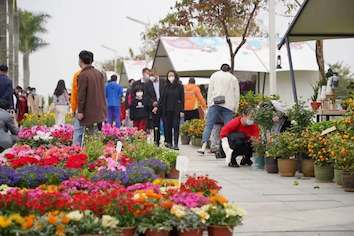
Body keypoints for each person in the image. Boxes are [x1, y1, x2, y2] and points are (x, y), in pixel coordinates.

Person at [198, 64, 240, 155]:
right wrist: (235, 108)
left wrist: (209, 105)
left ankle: (203, 146)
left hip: (215, 103)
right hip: (228, 104)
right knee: (228, 127)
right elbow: (237, 94)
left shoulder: (214, 76)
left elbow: (210, 92)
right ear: (229, 70)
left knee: (209, 125)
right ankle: (227, 147)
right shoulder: (233, 78)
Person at [77, 50, 107, 135]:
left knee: (90, 137)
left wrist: (80, 111)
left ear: (80, 61)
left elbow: (81, 95)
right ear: (92, 61)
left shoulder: (83, 75)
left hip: (89, 112)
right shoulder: (99, 73)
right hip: (100, 112)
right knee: (98, 135)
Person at [154, 70, 184, 150]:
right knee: (168, 127)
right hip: (167, 109)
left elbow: (182, 98)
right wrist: (157, 106)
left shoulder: (179, 86)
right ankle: (169, 142)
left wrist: (182, 110)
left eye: (172, 75)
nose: (170, 77)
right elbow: (162, 97)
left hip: (176, 109)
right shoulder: (166, 86)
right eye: (169, 75)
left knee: (176, 127)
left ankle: (176, 143)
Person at [144, 68, 166, 146]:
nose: (151, 77)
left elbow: (165, 94)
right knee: (156, 125)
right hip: (153, 107)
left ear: (156, 74)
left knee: (166, 124)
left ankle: (167, 141)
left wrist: (159, 103)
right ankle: (156, 141)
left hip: (163, 106)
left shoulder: (164, 82)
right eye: (149, 75)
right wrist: (152, 102)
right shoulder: (147, 84)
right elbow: (146, 96)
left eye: (152, 75)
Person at [70, 68, 84, 146]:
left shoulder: (78, 74)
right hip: (93, 108)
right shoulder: (97, 74)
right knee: (92, 132)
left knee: (78, 131)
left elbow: (75, 93)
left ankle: (75, 151)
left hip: (80, 107)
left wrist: (73, 109)